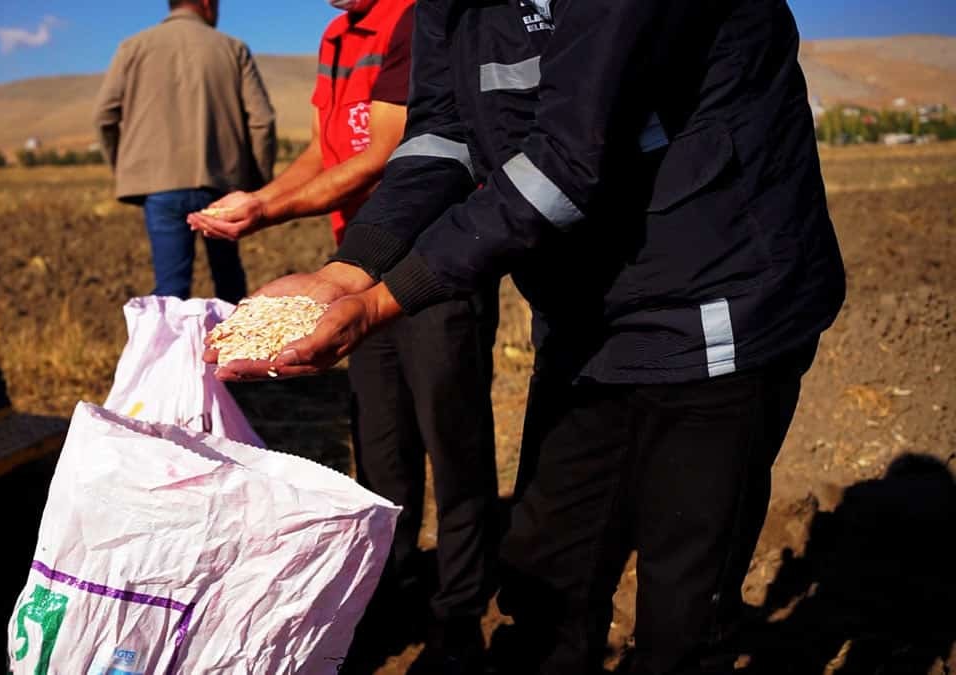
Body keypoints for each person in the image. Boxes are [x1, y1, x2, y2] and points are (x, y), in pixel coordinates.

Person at [208, 0, 847, 673]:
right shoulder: (444, 8)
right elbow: (441, 136)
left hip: (718, 313)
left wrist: (383, 302)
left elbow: (567, 160)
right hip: (587, 321)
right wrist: (349, 267)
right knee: (545, 579)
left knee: (681, 606)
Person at [189, 2, 500, 671]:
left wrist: (268, 210)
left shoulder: (418, 18)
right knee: (380, 445)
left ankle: (460, 613)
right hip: (353, 267)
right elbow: (322, 150)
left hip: (432, 263)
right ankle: (386, 591)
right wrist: (259, 200)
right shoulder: (338, 35)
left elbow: (384, 155)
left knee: (454, 441)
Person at [93, 0, 275, 303]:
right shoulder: (233, 48)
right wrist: (257, 187)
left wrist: (130, 172)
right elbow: (262, 121)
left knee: (170, 290)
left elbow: (104, 118)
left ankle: (168, 351)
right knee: (229, 283)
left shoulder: (133, 47)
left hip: (160, 187)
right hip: (223, 187)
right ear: (206, 3)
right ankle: (233, 349)